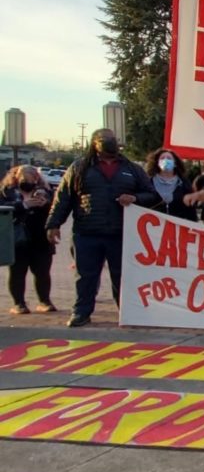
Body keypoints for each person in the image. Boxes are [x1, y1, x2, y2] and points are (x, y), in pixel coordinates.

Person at [46, 128, 157, 327]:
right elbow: (63, 198)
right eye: (105, 139)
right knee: (85, 276)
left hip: (121, 232)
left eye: (113, 138)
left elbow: (151, 195)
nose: (110, 142)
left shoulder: (131, 168)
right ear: (94, 143)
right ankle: (81, 312)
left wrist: (135, 198)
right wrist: (53, 224)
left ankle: (127, 312)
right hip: (86, 232)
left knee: (121, 276)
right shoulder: (80, 168)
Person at [3, 166, 56, 315]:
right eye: (24, 177)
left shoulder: (45, 191)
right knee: (17, 272)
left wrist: (45, 202)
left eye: (32, 176)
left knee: (42, 272)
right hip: (16, 239)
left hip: (41, 238)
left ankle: (44, 301)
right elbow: (4, 209)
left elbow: (56, 208)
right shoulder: (6, 192)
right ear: (15, 176)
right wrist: (24, 205)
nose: (28, 180)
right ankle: (19, 303)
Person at [145, 148, 191, 220]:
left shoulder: (184, 183)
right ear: (157, 163)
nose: (165, 160)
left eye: (169, 158)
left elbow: (190, 208)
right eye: (162, 158)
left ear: (175, 163)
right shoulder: (148, 182)